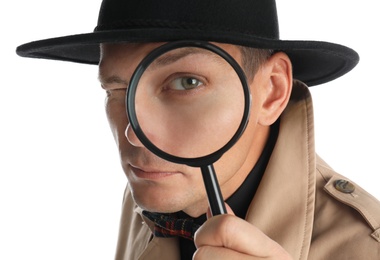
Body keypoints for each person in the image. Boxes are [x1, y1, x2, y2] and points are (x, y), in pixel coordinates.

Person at [16, 0, 380, 259]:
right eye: (117, 90)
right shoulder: (151, 194)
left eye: (187, 82)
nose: (135, 134)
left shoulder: (368, 248)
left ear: (272, 91)